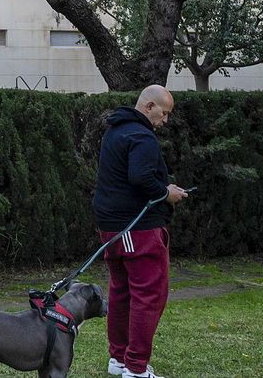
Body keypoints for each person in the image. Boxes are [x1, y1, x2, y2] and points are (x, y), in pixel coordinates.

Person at [93, 85, 188, 378]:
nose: (165, 120)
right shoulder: (142, 137)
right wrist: (167, 193)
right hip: (137, 228)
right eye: (164, 113)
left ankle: (119, 359)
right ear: (149, 106)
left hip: (111, 227)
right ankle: (135, 367)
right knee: (148, 295)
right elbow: (141, 177)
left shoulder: (115, 131)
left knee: (121, 291)